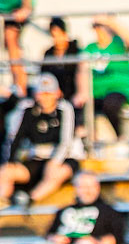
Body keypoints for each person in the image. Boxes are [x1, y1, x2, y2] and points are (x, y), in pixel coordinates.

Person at [0, 75, 76, 208]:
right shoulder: (27, 108)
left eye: (49, 93)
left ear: (57, 93)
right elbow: (15, 137)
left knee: (56, 173)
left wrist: (54, 161)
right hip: (36, 158)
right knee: (5, 172)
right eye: (42, 93)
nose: (45, 98)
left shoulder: (65, 108)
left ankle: (30, 200)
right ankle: (3, 206)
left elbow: (66, 142)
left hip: (61, 159)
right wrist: (10, 162)